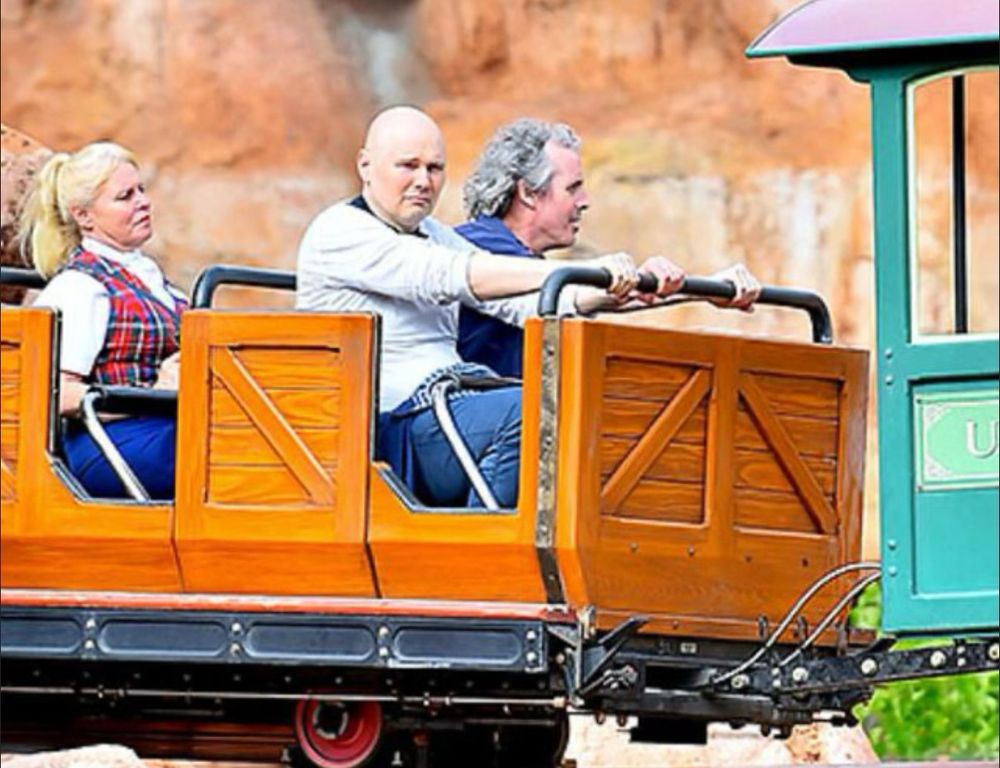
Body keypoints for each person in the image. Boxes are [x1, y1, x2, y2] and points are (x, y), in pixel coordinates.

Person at [296, 106, 679, 509]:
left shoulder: (434, 235)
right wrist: (584, 269)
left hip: (445, 407)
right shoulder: (339, 231)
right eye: (408, 166)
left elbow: (536, 304)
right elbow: (454, 274)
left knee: (585, 406)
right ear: (366, 165)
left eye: (435, 168)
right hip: (384, 430)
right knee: (532, 411)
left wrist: (650, 286)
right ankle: (482, 551)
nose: (423, 181)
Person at [458, 118, 761, 377]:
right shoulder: (478, 247)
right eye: (573, 188)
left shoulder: (523, 256)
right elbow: (576, 295)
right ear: (528, 193)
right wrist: (657, 283)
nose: (584, 201)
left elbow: (587, 296)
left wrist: (705, 288)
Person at [18, 141, 185, 500]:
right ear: (84, 216)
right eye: (125, 196)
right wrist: (152, 393)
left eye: (141, 190)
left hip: (163, 427)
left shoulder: (148, 275)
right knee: (226, 450)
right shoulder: (82, 287)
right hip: (108, 443)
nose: (143, 201)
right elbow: (54, 393)